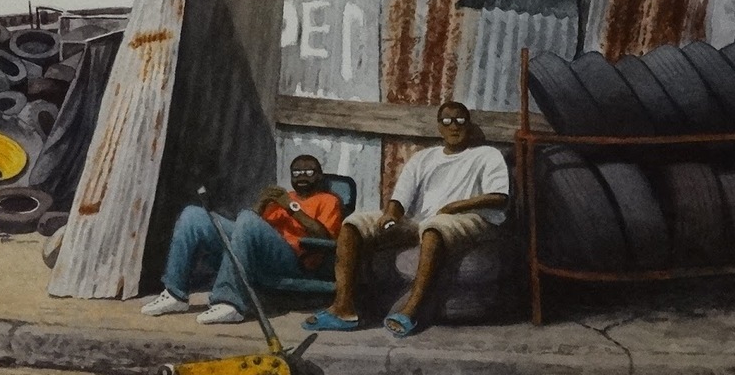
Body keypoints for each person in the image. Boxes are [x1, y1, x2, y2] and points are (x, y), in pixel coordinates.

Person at [302, 100, 509, 338]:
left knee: (434, 226)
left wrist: (456, 205)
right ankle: (343, 309)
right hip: (420, 220)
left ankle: (410, 311)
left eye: (460, 120)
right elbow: (400, 198)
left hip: (470, 218)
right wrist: (391, 215)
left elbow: (499, 197)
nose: (454, 126)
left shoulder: (486, 155)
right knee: (354, 224)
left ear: (469, 125)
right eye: (447, 121)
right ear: (439, 127)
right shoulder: (424, 158)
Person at [140, 154, 344, 324]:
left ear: (319, 176)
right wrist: (262, 202)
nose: (302, 176)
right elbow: (250, 228)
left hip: (294, 260)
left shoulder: (329, 200)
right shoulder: (283, 196)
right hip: (261, 255)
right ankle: (175, 294)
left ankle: (230, 302)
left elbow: (324, 236)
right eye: (297, 172)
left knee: (246, 218)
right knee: (194, 215)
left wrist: (290, 207)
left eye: (309, 172)